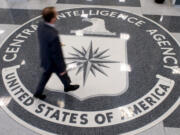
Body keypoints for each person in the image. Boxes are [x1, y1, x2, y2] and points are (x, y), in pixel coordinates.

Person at [34, 7, 79, 100]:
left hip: (45, 57)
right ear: (52, 19)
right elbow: (57, 55)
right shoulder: (53, 35)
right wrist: (62, 68)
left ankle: (38, 93)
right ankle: (67, 86)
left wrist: (54, 44)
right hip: (53, 62)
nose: (57, 15)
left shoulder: (41, 24)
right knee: (62, 73)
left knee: (45, 76)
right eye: (56, 14)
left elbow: (44, 38)